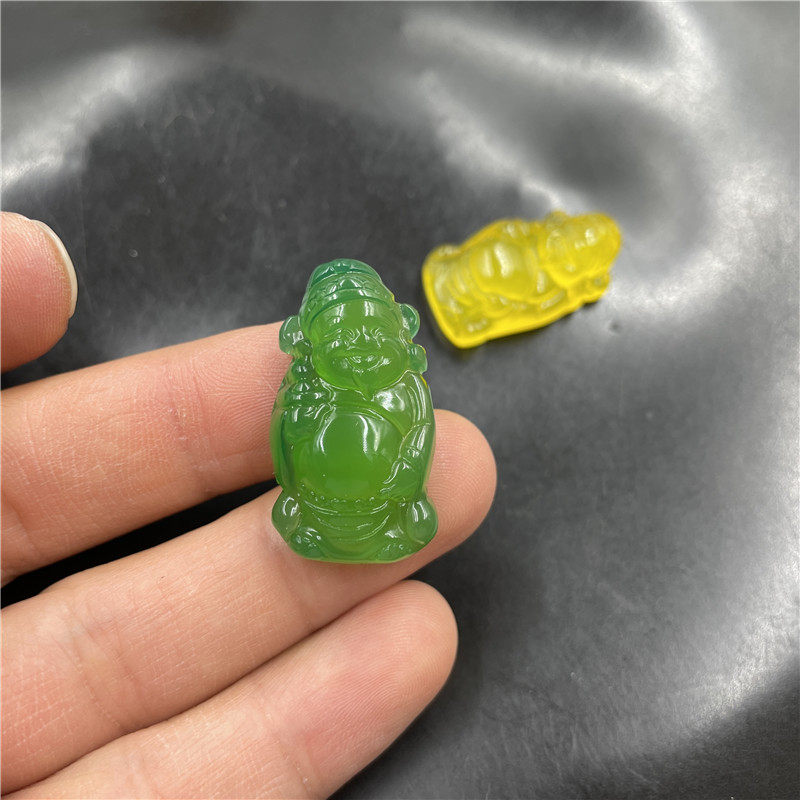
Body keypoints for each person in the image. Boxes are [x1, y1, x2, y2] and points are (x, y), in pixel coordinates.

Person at [0, 211, 496, 799]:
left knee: (419, 514)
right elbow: (286, 448)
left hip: (385, 503)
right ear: (306, 341)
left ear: (402, 332)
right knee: (297, 513)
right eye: (342, 339)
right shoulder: (303, 388)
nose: (361, 351)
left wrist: (400, 485)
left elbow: (419, 445)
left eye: (374, 337)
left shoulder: (407, 390)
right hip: (318, 505)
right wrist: (305, 469)